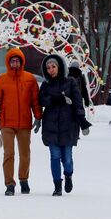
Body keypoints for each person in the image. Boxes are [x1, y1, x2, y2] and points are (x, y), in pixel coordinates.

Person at [0, 47, 43, 196]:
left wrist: (38, 117)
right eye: (12, 61)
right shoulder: (2, 79)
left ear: (22, 62)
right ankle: (9, 184)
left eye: (17, 60)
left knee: (25, 154)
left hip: (25, 123)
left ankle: (23, 180)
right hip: (7, 123)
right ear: (8, 62)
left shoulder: (30, 79)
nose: (15, 63)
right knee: (9, 154)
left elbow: (35, 101)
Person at [38, 54, 92, 196]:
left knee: (67, 158)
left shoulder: (71, 82)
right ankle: (57, 186)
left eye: (53, 66)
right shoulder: (46, 84)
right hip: (51, 126)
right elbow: (41, 100)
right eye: (48, 68)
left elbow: (77, 103)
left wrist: (83, 121)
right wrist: (55, 99)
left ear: (59, 66)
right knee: (55, 156)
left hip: (68, 126)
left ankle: (68, 175)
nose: (51, 70)